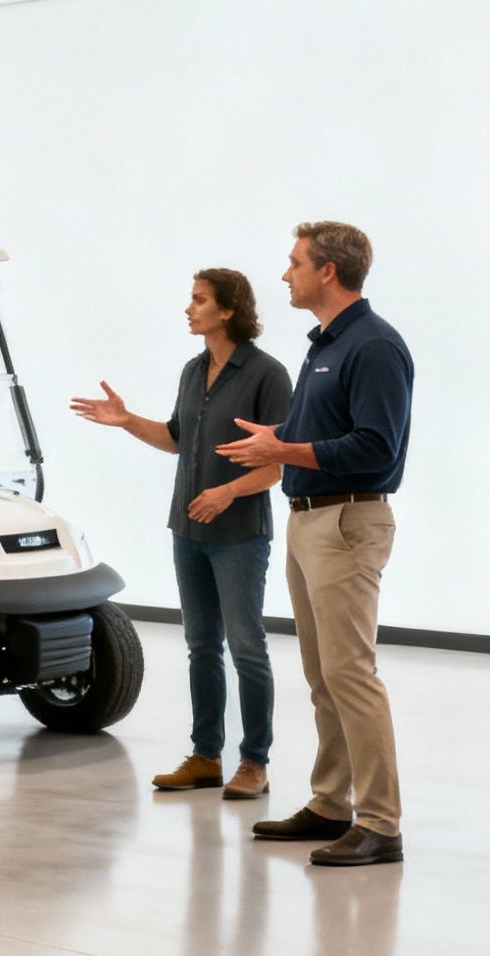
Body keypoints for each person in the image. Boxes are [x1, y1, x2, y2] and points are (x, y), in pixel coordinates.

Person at [217, 221, 412, 867]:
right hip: (308, 518)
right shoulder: (326, 345)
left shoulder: (375, 346)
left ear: (328, 271)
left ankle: (381, 823)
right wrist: (279, 434)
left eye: (295, 263)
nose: (285, 274)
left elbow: (376, 447)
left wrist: (284, 448)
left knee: (351, 675)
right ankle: (331, 804)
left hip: (348, 522)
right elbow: (328, 429)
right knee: (323, 676)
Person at [72, 270, 291, 799]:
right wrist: (126, 421)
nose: (188, 309)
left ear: (228, 309)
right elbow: (176, 439)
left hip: (239, 534)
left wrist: (226, 493)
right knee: (200, 647)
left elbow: (277, 464)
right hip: (187, 531)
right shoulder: (194, 371)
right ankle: (205, 756)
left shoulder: (267, 374)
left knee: (247, 648)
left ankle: (254, 763)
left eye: (198, 300)